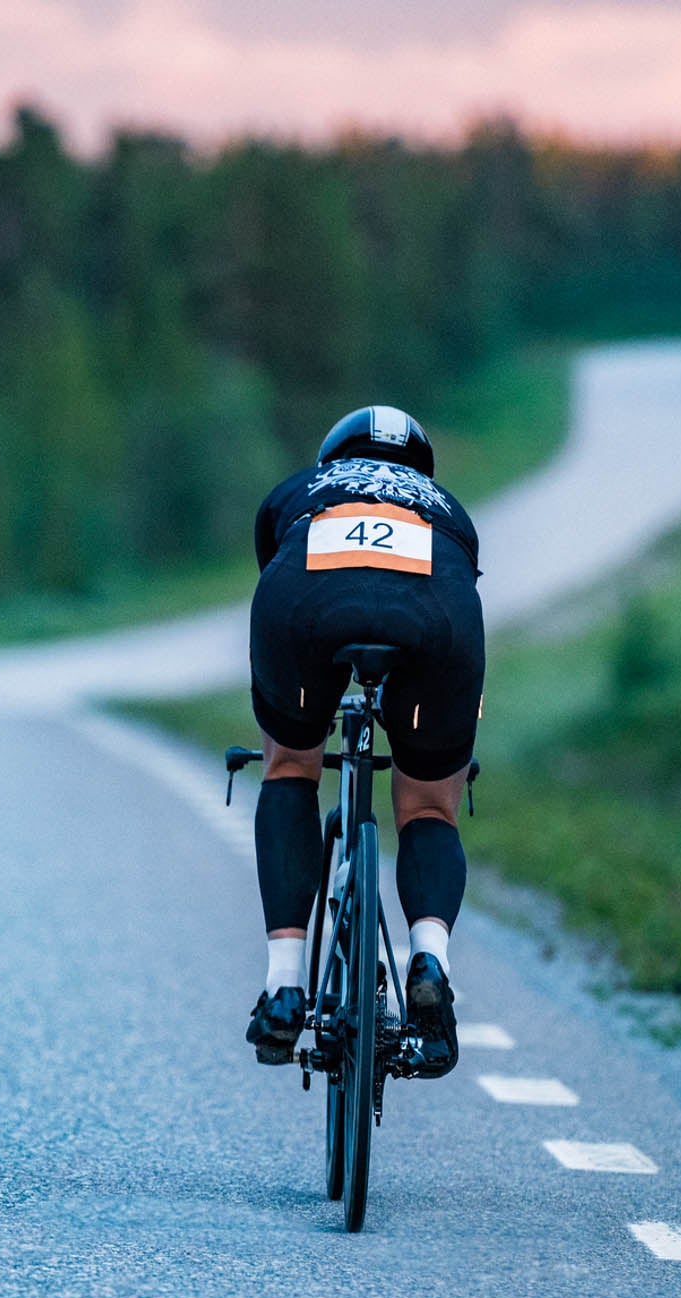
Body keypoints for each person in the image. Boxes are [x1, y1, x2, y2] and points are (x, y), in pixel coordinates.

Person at [242, 405, 484, 1079]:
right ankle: (428, 959)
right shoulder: (447, 507)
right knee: (430, 806)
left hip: (304, 600)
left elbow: (274, 565)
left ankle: (285, 982)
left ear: (333, 458)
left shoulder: (299, 490)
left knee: (290, 765)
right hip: (438, 610)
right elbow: (463, 576)